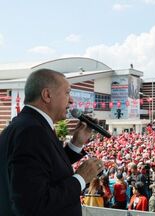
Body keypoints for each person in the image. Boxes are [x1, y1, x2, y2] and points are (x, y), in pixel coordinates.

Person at [0, 69, 103, 216]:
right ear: (47, 95)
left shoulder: (26, 125)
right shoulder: (32, 132)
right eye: (67, 93)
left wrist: (76, 143)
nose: (72, 100)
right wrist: (81, 178)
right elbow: (34, 204)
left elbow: (45, 169)